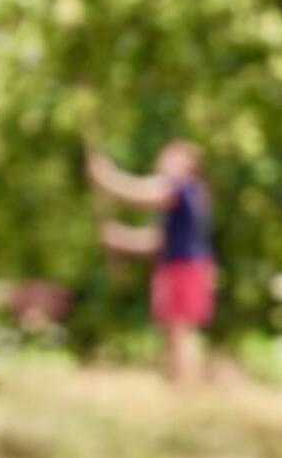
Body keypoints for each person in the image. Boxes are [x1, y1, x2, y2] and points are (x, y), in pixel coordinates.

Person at [87, 139, 215, 385]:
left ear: (188, 164)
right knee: (173, 330)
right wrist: (120, 237)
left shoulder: (182, 189)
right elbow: (157, 242)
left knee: (181, 329)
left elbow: (141, 193)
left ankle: (187, 388)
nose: (163, 160)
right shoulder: (181, 197)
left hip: (186, 268)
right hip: (177, 267)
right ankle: (180, 386)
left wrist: (106, 177)